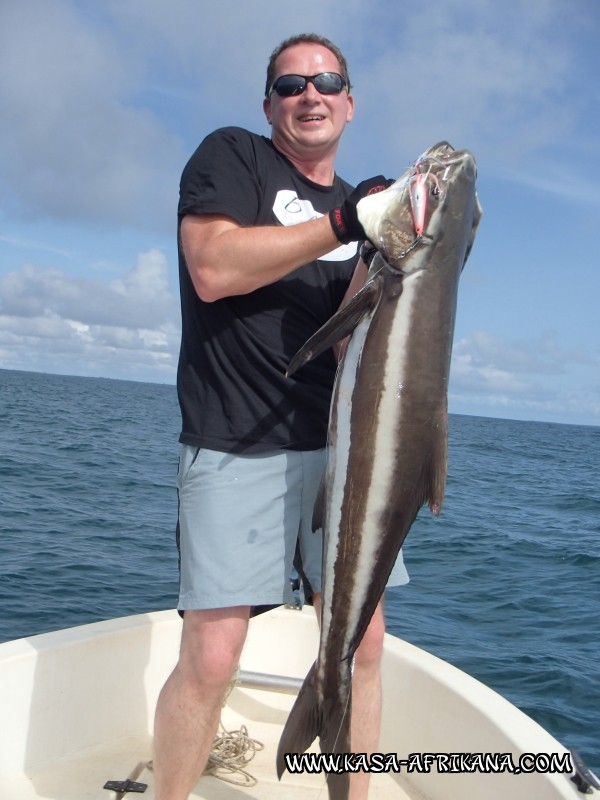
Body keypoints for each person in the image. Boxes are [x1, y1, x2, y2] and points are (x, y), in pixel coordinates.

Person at [153, 33, 409, 800]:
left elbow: (350, 350)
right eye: (292, 83)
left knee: (363, 647)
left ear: (350, 102)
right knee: (212, 655)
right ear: (270, 105)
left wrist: (399, 248)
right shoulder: (231, 157)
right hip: (236, 442)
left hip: (343, 454)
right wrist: (344, 226)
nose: (311, 94)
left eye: (328, 80)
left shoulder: (360, 211)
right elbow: (212, 268)